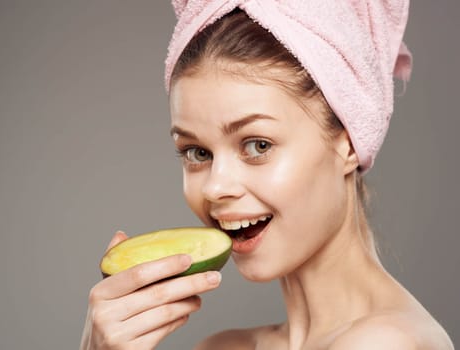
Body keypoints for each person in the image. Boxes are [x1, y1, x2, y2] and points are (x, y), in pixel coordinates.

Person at [81, 1, 454, 349]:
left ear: (350, 142)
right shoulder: (223, 346)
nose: (215, 187)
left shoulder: (388, 343)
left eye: (258, 145)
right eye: (197, 153)